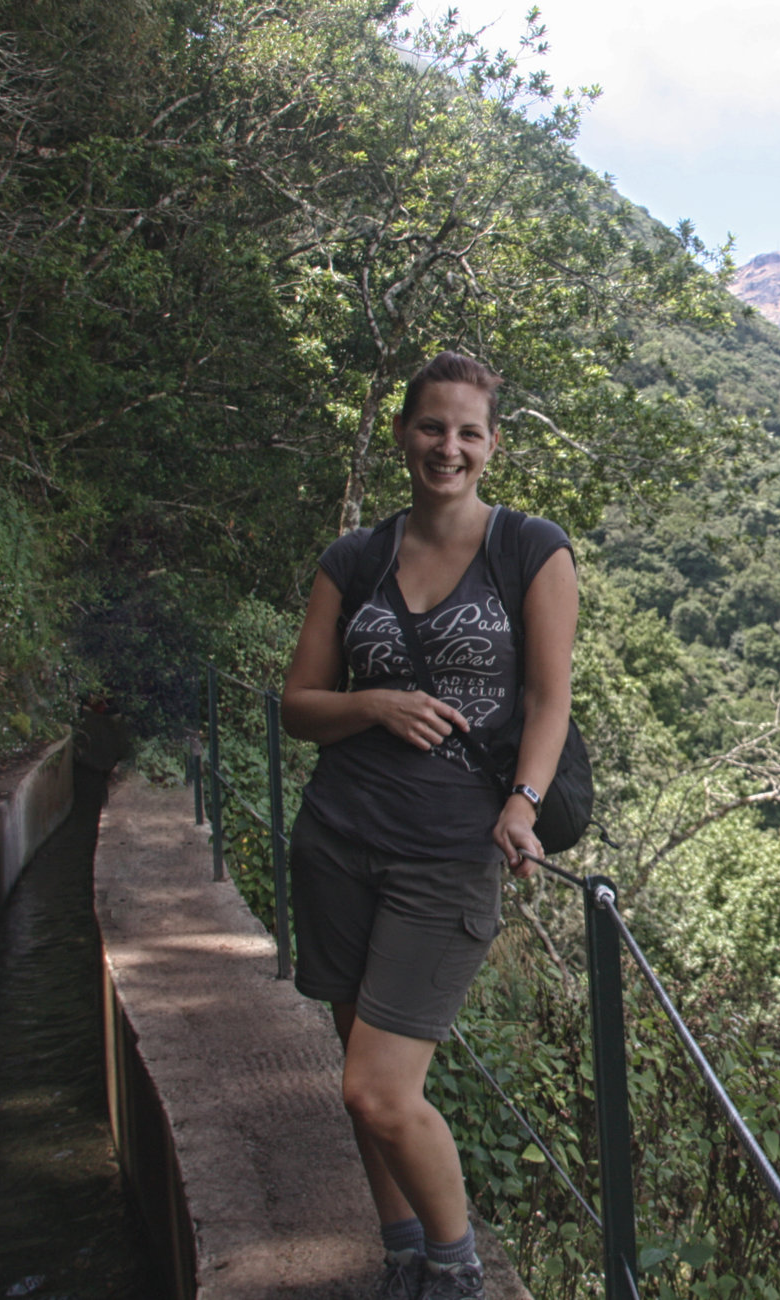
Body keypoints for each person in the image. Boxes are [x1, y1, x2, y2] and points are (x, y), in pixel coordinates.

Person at [281, 350, 577, 1300]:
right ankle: (402, 1250)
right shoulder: (355, 558)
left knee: (378, 1087)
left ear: (490, 447)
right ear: (405, 433)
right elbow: (298, 704)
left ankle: (456, 1271)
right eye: (431, 427)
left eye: (468, 432)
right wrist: (372, 705)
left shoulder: (530, 549)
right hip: (336, 837)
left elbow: (548, 698)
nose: (447, 447)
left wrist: (523, 806)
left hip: (446, 852)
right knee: (358, 1080)